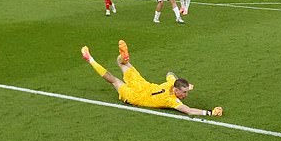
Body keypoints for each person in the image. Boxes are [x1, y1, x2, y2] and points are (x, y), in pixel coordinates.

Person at [81, 40, 223, 116]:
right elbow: (189, 110)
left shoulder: (171, 84)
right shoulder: (171, 100)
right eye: (184, 92)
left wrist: (179, 82)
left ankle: (123, 57)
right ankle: (90, 60)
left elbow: (170, 73)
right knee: (114, 80)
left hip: (143, 85)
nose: (185, 95)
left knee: (121, 62)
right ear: (176, 90)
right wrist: (209, 112)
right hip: (136, 97)